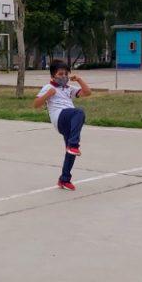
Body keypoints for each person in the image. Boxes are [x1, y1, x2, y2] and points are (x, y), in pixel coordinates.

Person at [34, 60, 93, 191]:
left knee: (70, 152)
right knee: (79, 112)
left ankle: (64, 179)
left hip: (70, 120)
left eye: (66, 74)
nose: (64, 76)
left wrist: (79, 80)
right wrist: (48, 95)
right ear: (53, 75)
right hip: (60, 118)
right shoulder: (48, 87)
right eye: (60, 74)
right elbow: (36, 104)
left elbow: (87, 92)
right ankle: (73, 144)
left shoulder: (68, 89)